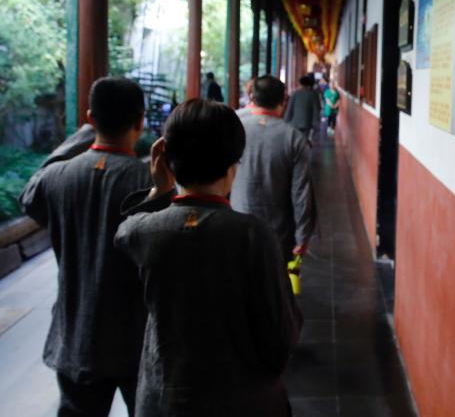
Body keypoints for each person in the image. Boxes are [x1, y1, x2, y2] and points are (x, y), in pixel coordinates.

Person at [114, 99, 301, 417]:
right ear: (233, 167)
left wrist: (159, 191)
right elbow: (279, 336)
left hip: (164, 399)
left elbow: (125, 234)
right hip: (242, 400)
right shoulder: (252, 235)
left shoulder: (140, 232)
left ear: (166, 161)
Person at [19, 77, 152, 417]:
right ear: (140, 120)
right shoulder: (146, 183)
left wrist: (77, 139)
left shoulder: (55, 178)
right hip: (133, 339)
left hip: (75, 335)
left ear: (91, 118)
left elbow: (30, 195)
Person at [231, 75, 316, 262]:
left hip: (234, 224)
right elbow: (301, 193)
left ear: (252, 97)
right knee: (272, 284)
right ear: (283, 100)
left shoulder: (233, 127)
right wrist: (302, 236)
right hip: (277, 233)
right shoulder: (293, 138)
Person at [283, 75, 322, 139]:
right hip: (307, 123)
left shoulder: (295, 93)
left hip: (294, 123)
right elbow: (316, 110)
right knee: (303, 141)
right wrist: (316, 124)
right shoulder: (314, 94)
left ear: (300, 84)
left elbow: (290, 108)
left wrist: (286, 120)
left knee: (294, 140)